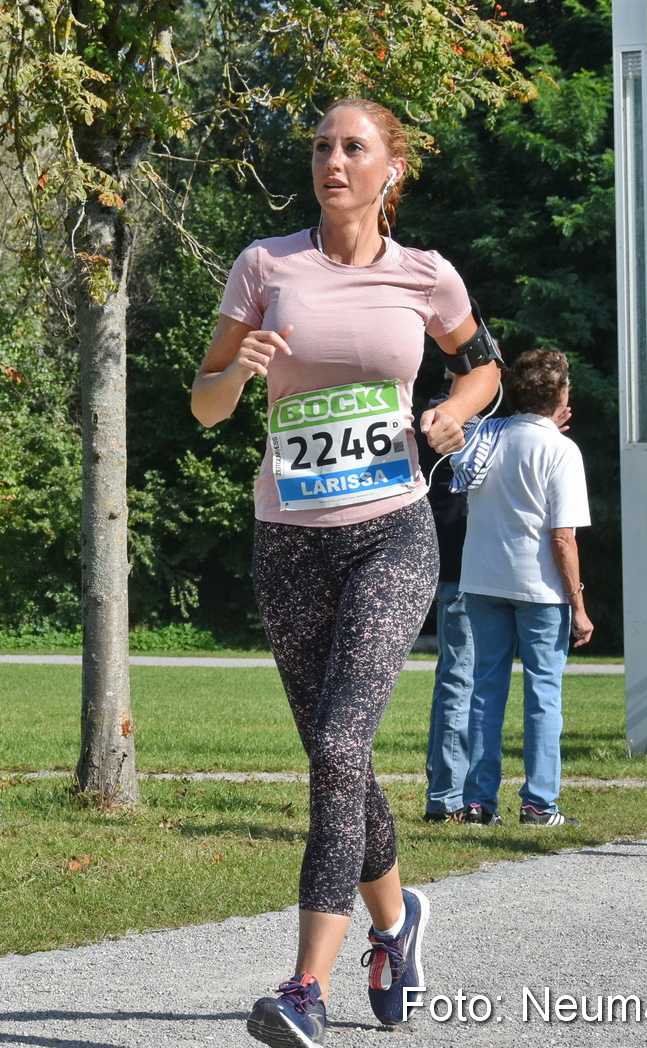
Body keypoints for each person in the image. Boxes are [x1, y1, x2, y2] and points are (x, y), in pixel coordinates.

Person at [191, 98, 501, 1040]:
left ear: (390, 170)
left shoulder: (426, 275)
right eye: (322, 145)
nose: (333, 160)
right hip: (287, 538)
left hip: (392, 532)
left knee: (336, 748)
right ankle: (396, 926)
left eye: (353, 147)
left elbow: (483, 365)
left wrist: (456, 412)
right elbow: (204, 405)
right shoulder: (264, 265)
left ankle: (302, 988)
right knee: (340, 755)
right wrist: (238, 368)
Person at [451, 349, 592, 827]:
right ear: (562, 396)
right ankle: (538, 803)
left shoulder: (485, 436)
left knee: (485, 691)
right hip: (540, 588)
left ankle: (477, 802)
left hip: (482, 579)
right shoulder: (561, 451)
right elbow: (563, 537)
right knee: (543, 695)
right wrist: (580, 602)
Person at [416, 380, 476, 824]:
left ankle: (451, 789)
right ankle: (447, 797)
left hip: (474, 561)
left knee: (461, 677)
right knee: (459, 677)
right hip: (460, 562)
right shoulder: (441, 410)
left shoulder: (478, 412)